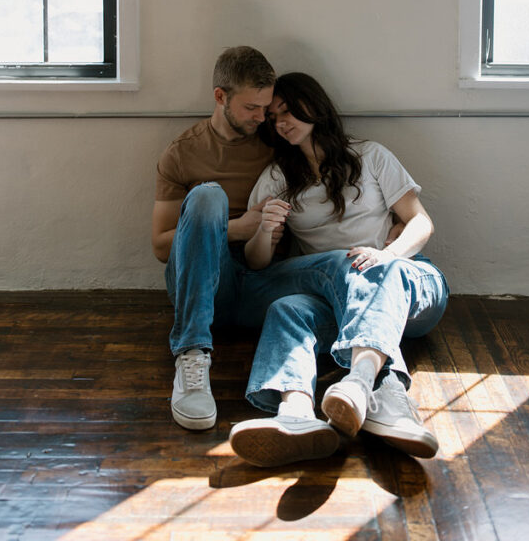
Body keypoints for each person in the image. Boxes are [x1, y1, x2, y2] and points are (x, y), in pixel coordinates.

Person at [153, 47, 388, 436]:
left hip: (264, 281)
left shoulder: (277, 139)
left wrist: (392, 227)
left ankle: (373, 369)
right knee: (208, 196)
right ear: (220, 97)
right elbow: (162, 246)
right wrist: (237, 228)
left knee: (342, 261)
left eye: (268, 108)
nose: (264, 118)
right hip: (206, 286)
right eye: (252, 108)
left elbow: (324, 160)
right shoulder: (182, 153)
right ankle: (191, 357)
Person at [228, 72, 449, 467]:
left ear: (315, 106)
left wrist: (390, 255)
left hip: (407, 282)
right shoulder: (278, 177)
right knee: (288, 308)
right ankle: (295, 415)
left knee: (373, 270)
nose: (281, 122)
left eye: (289, 110)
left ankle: (367, 386)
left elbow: (420, 222)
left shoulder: (371, 155)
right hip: (336, 299)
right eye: (274, 116)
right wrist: (264, 229)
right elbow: (257, 263)